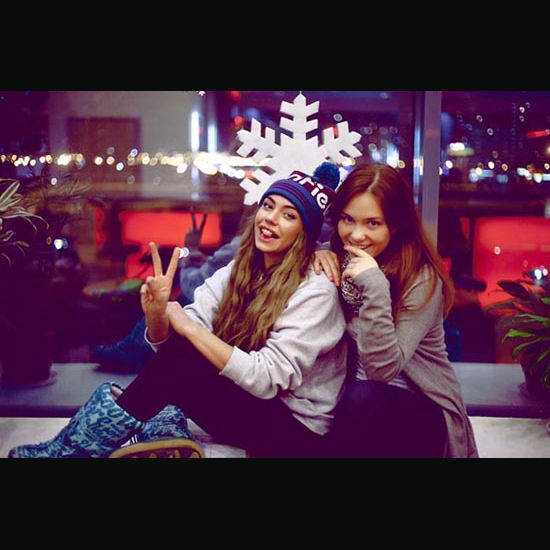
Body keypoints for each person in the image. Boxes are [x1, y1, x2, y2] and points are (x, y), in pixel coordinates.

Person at [9, 162, 348, 458]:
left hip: (298, 433)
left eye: (288, 215)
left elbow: (265, 379)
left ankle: (76, 450)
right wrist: (157, 316)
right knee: (178, 363)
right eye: (268, 206)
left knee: (182, 360)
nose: (270, 219)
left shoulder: (315, 290)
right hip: (255, 407)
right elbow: (175, 351)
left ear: (305, 232)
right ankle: (113, 439)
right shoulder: (240, 270)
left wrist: (188, 328)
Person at [313, 163, 478, 458]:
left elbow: (381, 371)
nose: (356, 235)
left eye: (372, 223)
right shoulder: (339, 257)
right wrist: (317, 251)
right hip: (355, 407)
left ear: (395, 225)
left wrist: (375, 286)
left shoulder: (420, 278)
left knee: (362, 397)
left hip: (422, 412)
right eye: (348, 219)